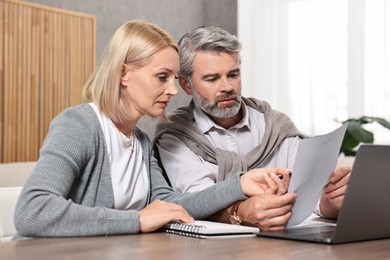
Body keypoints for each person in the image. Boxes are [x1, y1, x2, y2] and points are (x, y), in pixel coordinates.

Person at [13, 20, 295, 238]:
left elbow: (172, 203)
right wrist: (137, 220)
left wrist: (240, 185)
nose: (173, 90)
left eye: (173, 78)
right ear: (124, 73)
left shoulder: (142, 142)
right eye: (162, 77)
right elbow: (33, 210)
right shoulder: (79, 125)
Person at [154, 26, 351, 231]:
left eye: (233, 74)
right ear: (186, 84)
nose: (227, 87)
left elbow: (310, 195)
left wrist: (330, 202)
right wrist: (241, 212)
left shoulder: (277, 127)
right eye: (212, 78)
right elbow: (199, 203)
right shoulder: (176, 136)